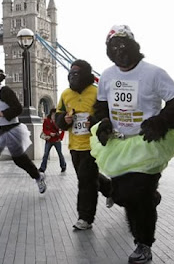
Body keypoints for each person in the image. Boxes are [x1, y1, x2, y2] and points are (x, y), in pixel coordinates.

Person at [90, 25, 174, 264]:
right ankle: (150, 197)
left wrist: (161, 121)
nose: (120, 51)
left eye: (125, 45)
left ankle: (143, 243)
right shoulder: (106, 75)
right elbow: (101, 106)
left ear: (135, 47)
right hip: (119, 144)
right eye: (114, 47)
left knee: (139, 195)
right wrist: (104, 123)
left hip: (148, 143)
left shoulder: (154, 73)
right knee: (124, 194)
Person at [0, 68, 46, 200]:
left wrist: (3, 114)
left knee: (19, 159)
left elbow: (17, 109)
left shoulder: (5, 91)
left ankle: (38, 177)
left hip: (11, 130)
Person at [55, 59, 112, 231]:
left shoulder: (97, 92)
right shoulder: (65, 94)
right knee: (86, 177)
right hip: (74, 145)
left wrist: (93, 122)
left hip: (93, 145)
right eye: (71, 72)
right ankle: (111, 190)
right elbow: (58, 117)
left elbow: (107, 117)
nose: (73, 75)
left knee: (86, 181)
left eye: (77, 72)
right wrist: (64, 120)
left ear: (86, 74)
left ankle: (85, 218)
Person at [39, 108, 66, 173]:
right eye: (53, 114)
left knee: (60, 154)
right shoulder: (46, 120)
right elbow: (44, 129)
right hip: (49, 139)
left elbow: (63, 129)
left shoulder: (59, 121)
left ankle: (63, 166)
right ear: (51, 114)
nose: (54, 115)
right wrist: (50, 133)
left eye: (55, 114)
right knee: (46, 154)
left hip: (57, 140)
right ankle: (42, 168)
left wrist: (60, 138)